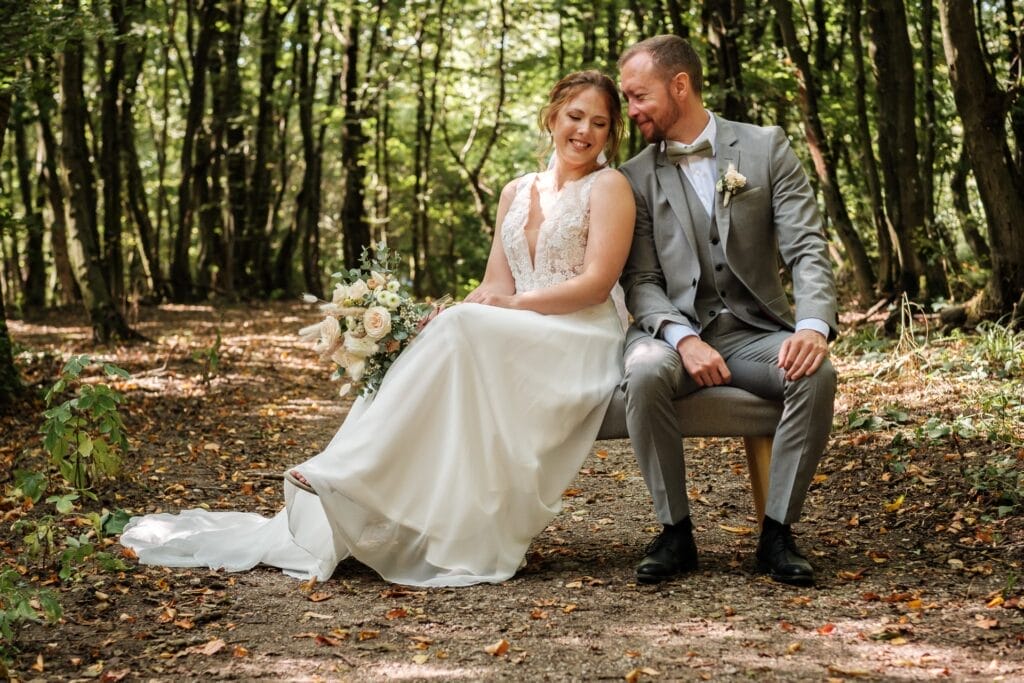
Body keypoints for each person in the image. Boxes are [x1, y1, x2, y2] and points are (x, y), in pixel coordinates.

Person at [119, 70, 636, 587]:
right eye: (575, 116)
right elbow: (493, 283)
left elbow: (595, 285)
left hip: (580, 334)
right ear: (552, 116)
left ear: (610, 134)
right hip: (523, 325)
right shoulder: (516, 191)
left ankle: (354, 474)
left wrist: (505, 306)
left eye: (599, 123)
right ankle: (357, 479)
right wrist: (446, 313)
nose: (584, 131)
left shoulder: (608, 186)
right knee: (447, 329)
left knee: (460, 330)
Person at [616, 35, 838, 586]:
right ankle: (675, 532)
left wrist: (812, 326)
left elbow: (807, 246)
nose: (632, 111)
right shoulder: (633, 176)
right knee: (643, 373)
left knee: (816, 372)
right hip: (673, 334)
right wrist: (682, 338)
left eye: (639, 96)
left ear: (680, 86)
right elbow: (640, 280)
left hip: (750, 332)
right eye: (627, 99)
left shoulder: (765, 148)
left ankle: (777, 533)